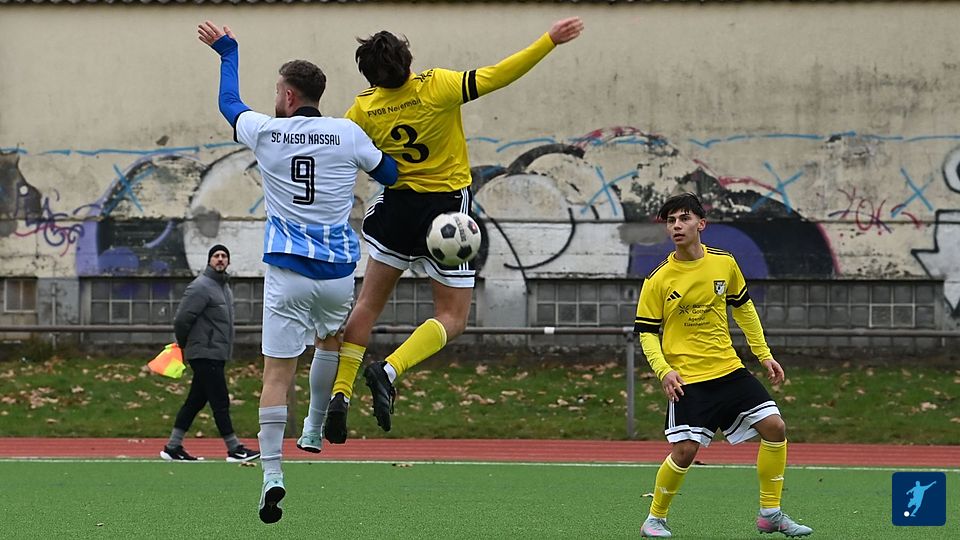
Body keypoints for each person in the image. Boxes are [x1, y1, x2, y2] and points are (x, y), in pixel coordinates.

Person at [323, 16, 585, 443]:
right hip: (445, 214)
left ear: (370, 76)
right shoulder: (437, 86)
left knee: (367, 305)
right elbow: (499, 74)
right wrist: (549, 41)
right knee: (453, 316)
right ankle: (389, 370)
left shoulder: (363, 109)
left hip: (396, 208)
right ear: (408, 61)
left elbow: (341, 151)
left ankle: (340, 393)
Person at [197, 21, 398, 524]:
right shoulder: (348, 133)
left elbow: (228, 104)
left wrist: (228, 52)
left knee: (276, 374)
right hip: (337, 273)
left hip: (286, 272)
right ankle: (312, 428)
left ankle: (272, 475)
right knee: (329, 342)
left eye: (277, 92)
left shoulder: (267, 132)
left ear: (288, 96)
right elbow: (391, 174)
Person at [634, 193, 813, 538]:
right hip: (688, 379)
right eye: (671, 221)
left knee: (775, 427)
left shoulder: (724, 263)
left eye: (684, 218)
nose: (676, 226)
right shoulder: (658, 279)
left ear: (701, 224)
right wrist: (664, 371)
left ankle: (771, 513)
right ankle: (654, 519)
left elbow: (744, 310)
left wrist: (763, 354)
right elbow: (646, 333)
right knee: (685, 451)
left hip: (729, 371)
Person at [161, 244, 260, 463]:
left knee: (195, 401)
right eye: (216, 256)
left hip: (216, 353)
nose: (220, 259)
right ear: (209, 261)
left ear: (228, 261)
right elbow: (181, 319)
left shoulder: (223, 288)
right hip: (204, 353)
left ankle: (173, 447)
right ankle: (234, 448)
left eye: (224, 256)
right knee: (220, 400)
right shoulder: (201, 286)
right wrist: (185, 344)